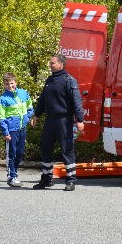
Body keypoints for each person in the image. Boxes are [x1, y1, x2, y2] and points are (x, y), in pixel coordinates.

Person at [29, 54, 85, 191]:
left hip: (64, 120)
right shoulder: (49, 80)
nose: (50, 65)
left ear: (61, 64)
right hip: (50, 120)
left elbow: (76, 102)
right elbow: (43, 99)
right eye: (50, 62)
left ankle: (70, 180)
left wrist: (80, 120)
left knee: (67, 150)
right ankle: (46, 179)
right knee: (46, 148)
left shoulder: (69, 80)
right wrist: (36, 114)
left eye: (52, 63)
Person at [0, 73, 34, 187]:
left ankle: (13, 172)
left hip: (22, 128)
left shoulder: (23, 93)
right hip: (11, 130)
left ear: (16, 83)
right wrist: (5, 132)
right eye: (7, 84)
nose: (10, 86)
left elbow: (30, 107)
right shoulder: (3, 98)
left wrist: (28, 118)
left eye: (12, 83)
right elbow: (1, 117)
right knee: (11, 154)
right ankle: (12, 176)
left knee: (20, 153)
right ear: (4, 85)